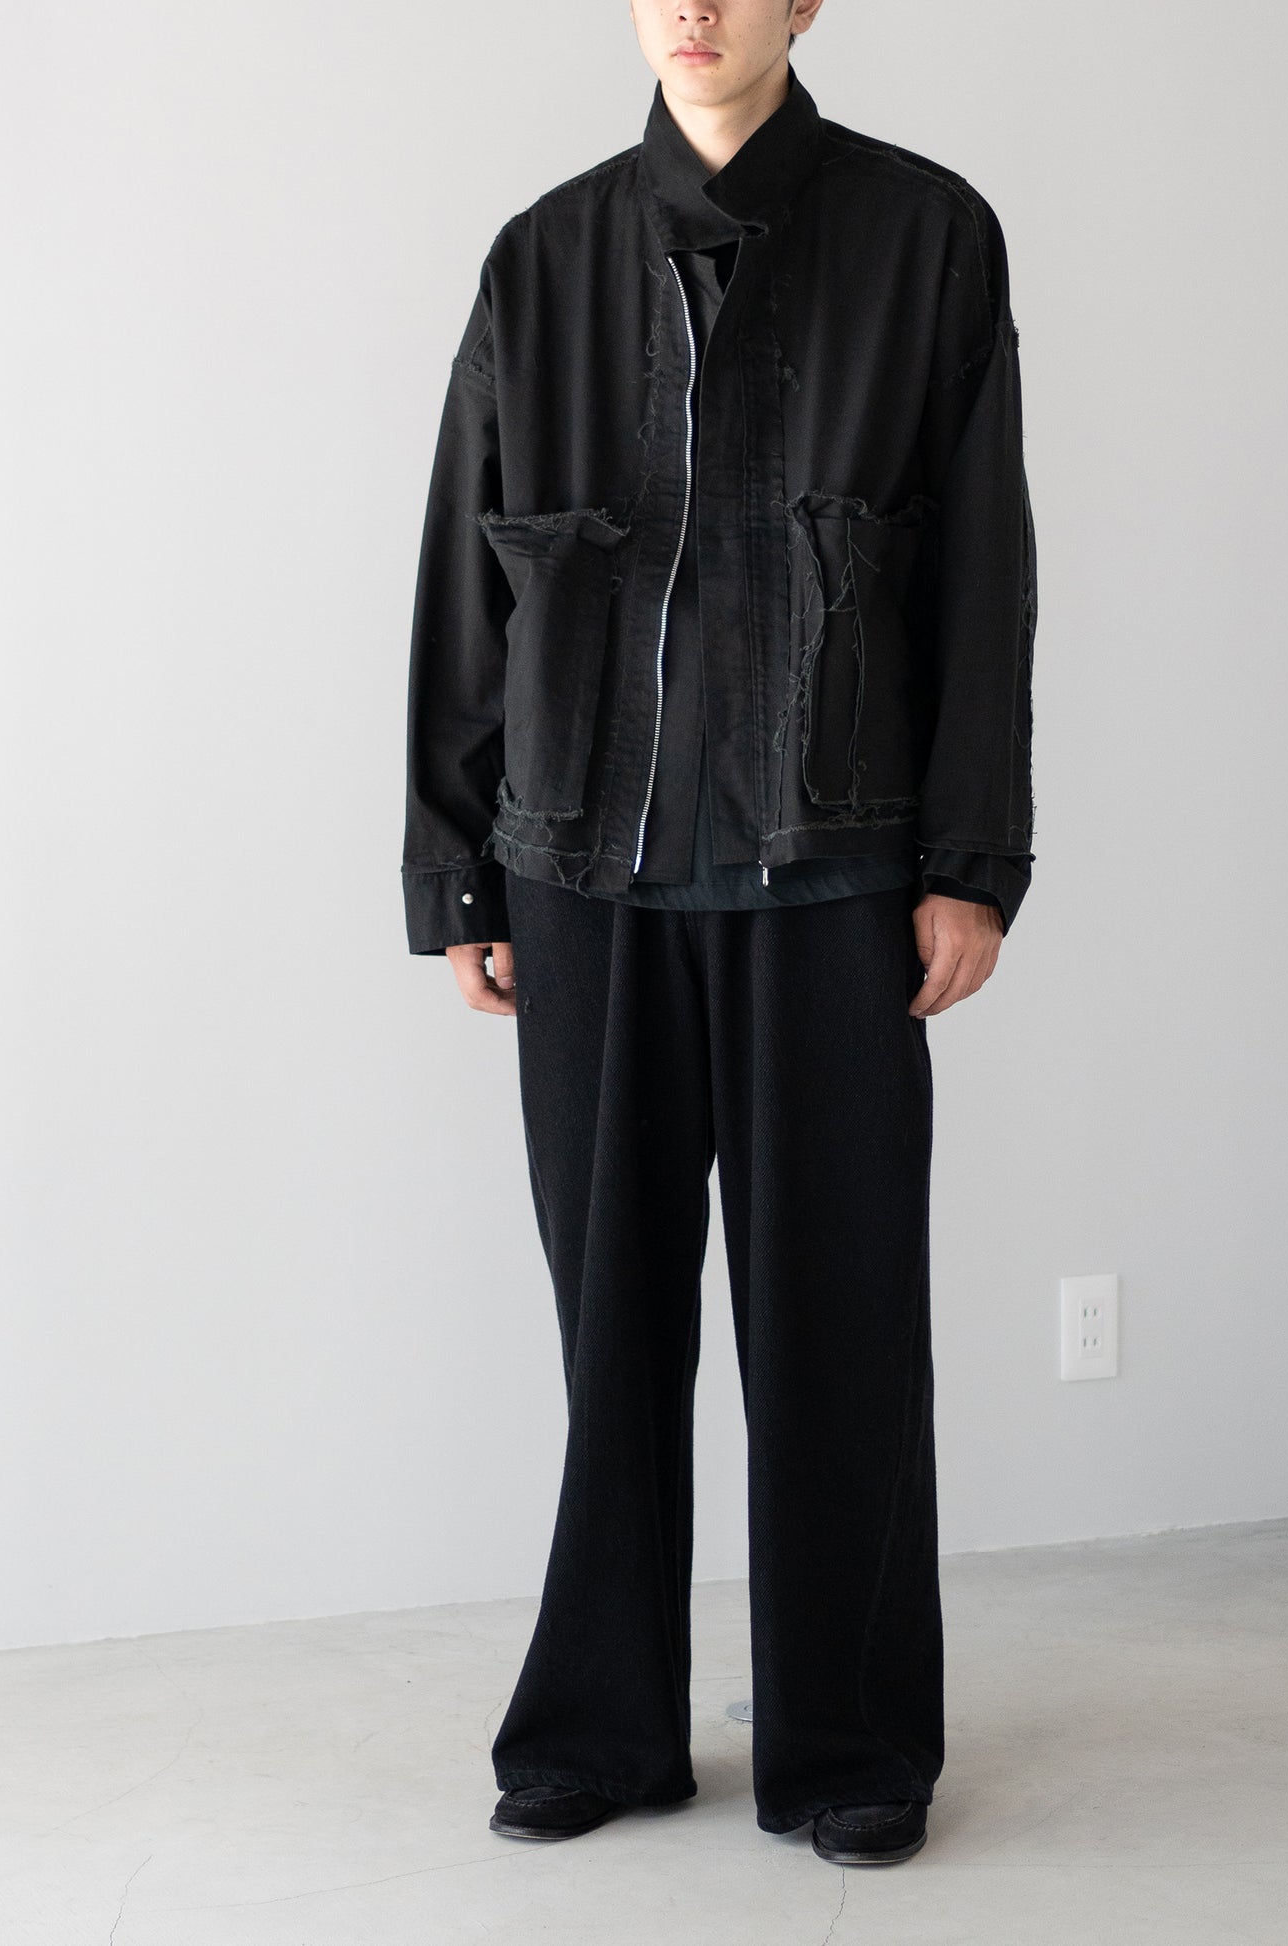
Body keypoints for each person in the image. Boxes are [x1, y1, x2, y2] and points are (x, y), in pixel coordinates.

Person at [400, 0, 1036, 1869]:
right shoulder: (543, 254)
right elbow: (465, 569)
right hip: (579, 878)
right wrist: (457, 866)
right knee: (609, 1333)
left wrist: (969, 860)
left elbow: (983, 569)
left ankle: (848, 1744)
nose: (693, 9)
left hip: (831, 877)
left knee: (839, 1326)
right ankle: (599, 1724)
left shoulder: (925, 234)